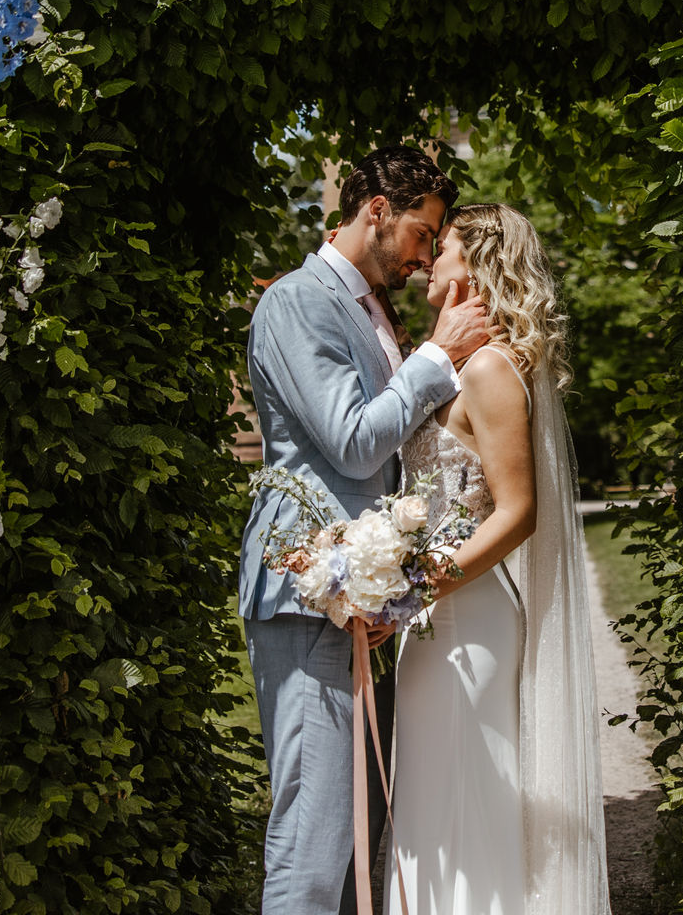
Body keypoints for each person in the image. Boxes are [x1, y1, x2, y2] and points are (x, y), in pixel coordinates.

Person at [240, 147, 495, 915]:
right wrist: (438, 356)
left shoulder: (369, 310)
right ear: (376, 211)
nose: (424, 258)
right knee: (314, 832)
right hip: (305, 584)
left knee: (359, 826)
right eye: (423, 234)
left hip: (362, 593)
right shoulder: (297, 301)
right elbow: (352, 440)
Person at [391, 203, 611, 914]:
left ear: (479, 262)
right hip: (435, 620)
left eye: (442, 245)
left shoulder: (488, 368)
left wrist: (417, 587)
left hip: (462, 620)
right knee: (436, 810)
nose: (427, 258)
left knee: (462, 814)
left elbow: (518, 513)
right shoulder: (455, 362)